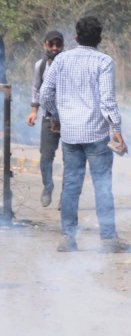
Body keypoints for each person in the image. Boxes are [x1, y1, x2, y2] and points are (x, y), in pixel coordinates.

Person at [39, 16, 131, 253]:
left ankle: (68, 238)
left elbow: (45, 93)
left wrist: (55, 115)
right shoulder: (104, 62)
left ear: (76, 37)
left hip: (70, 134)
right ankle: (109, 240)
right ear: (99, 39)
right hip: (97, 134)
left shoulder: (61, 60)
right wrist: (117, 130)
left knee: (71, 185)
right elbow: (108, 101)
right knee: (102, 185)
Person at [26, 30, 64, 207]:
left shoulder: (68, 64)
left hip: (69, 120)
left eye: (58, 45)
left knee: (70, 159)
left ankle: (67, 196)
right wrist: (34, 111)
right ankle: (47, 186)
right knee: (46, 157)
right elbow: (36, 88)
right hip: (49, 118)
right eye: (51, 44)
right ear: (45, 45)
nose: (55, 48)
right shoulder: (40, 66)